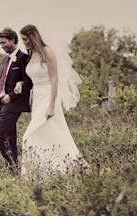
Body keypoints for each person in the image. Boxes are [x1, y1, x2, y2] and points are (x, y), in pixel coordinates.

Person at [18, 24, 87, 180]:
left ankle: (36, 174)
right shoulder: (31, 54)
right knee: (49, 134)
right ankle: (48, 173)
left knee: (28, 136)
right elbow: (31, 78)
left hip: (49, 97)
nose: (24, 42)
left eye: (25, 39)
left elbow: (55, 79)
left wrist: (51, 105)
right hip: (37, 98)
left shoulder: (47, 51)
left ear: (32, 36)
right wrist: (20, 83)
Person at [0, 27, 33, 175]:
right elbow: (1, 83)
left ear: (13, 40)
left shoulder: (24, 58)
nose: (2, 46)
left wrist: (11, 96)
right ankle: (15, 171)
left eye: (4, 42)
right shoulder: (5, 60)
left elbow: (28, 84)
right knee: (10, 138)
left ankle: (13, 167)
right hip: (3, 104)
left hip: (15, 104)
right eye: (0, 43)